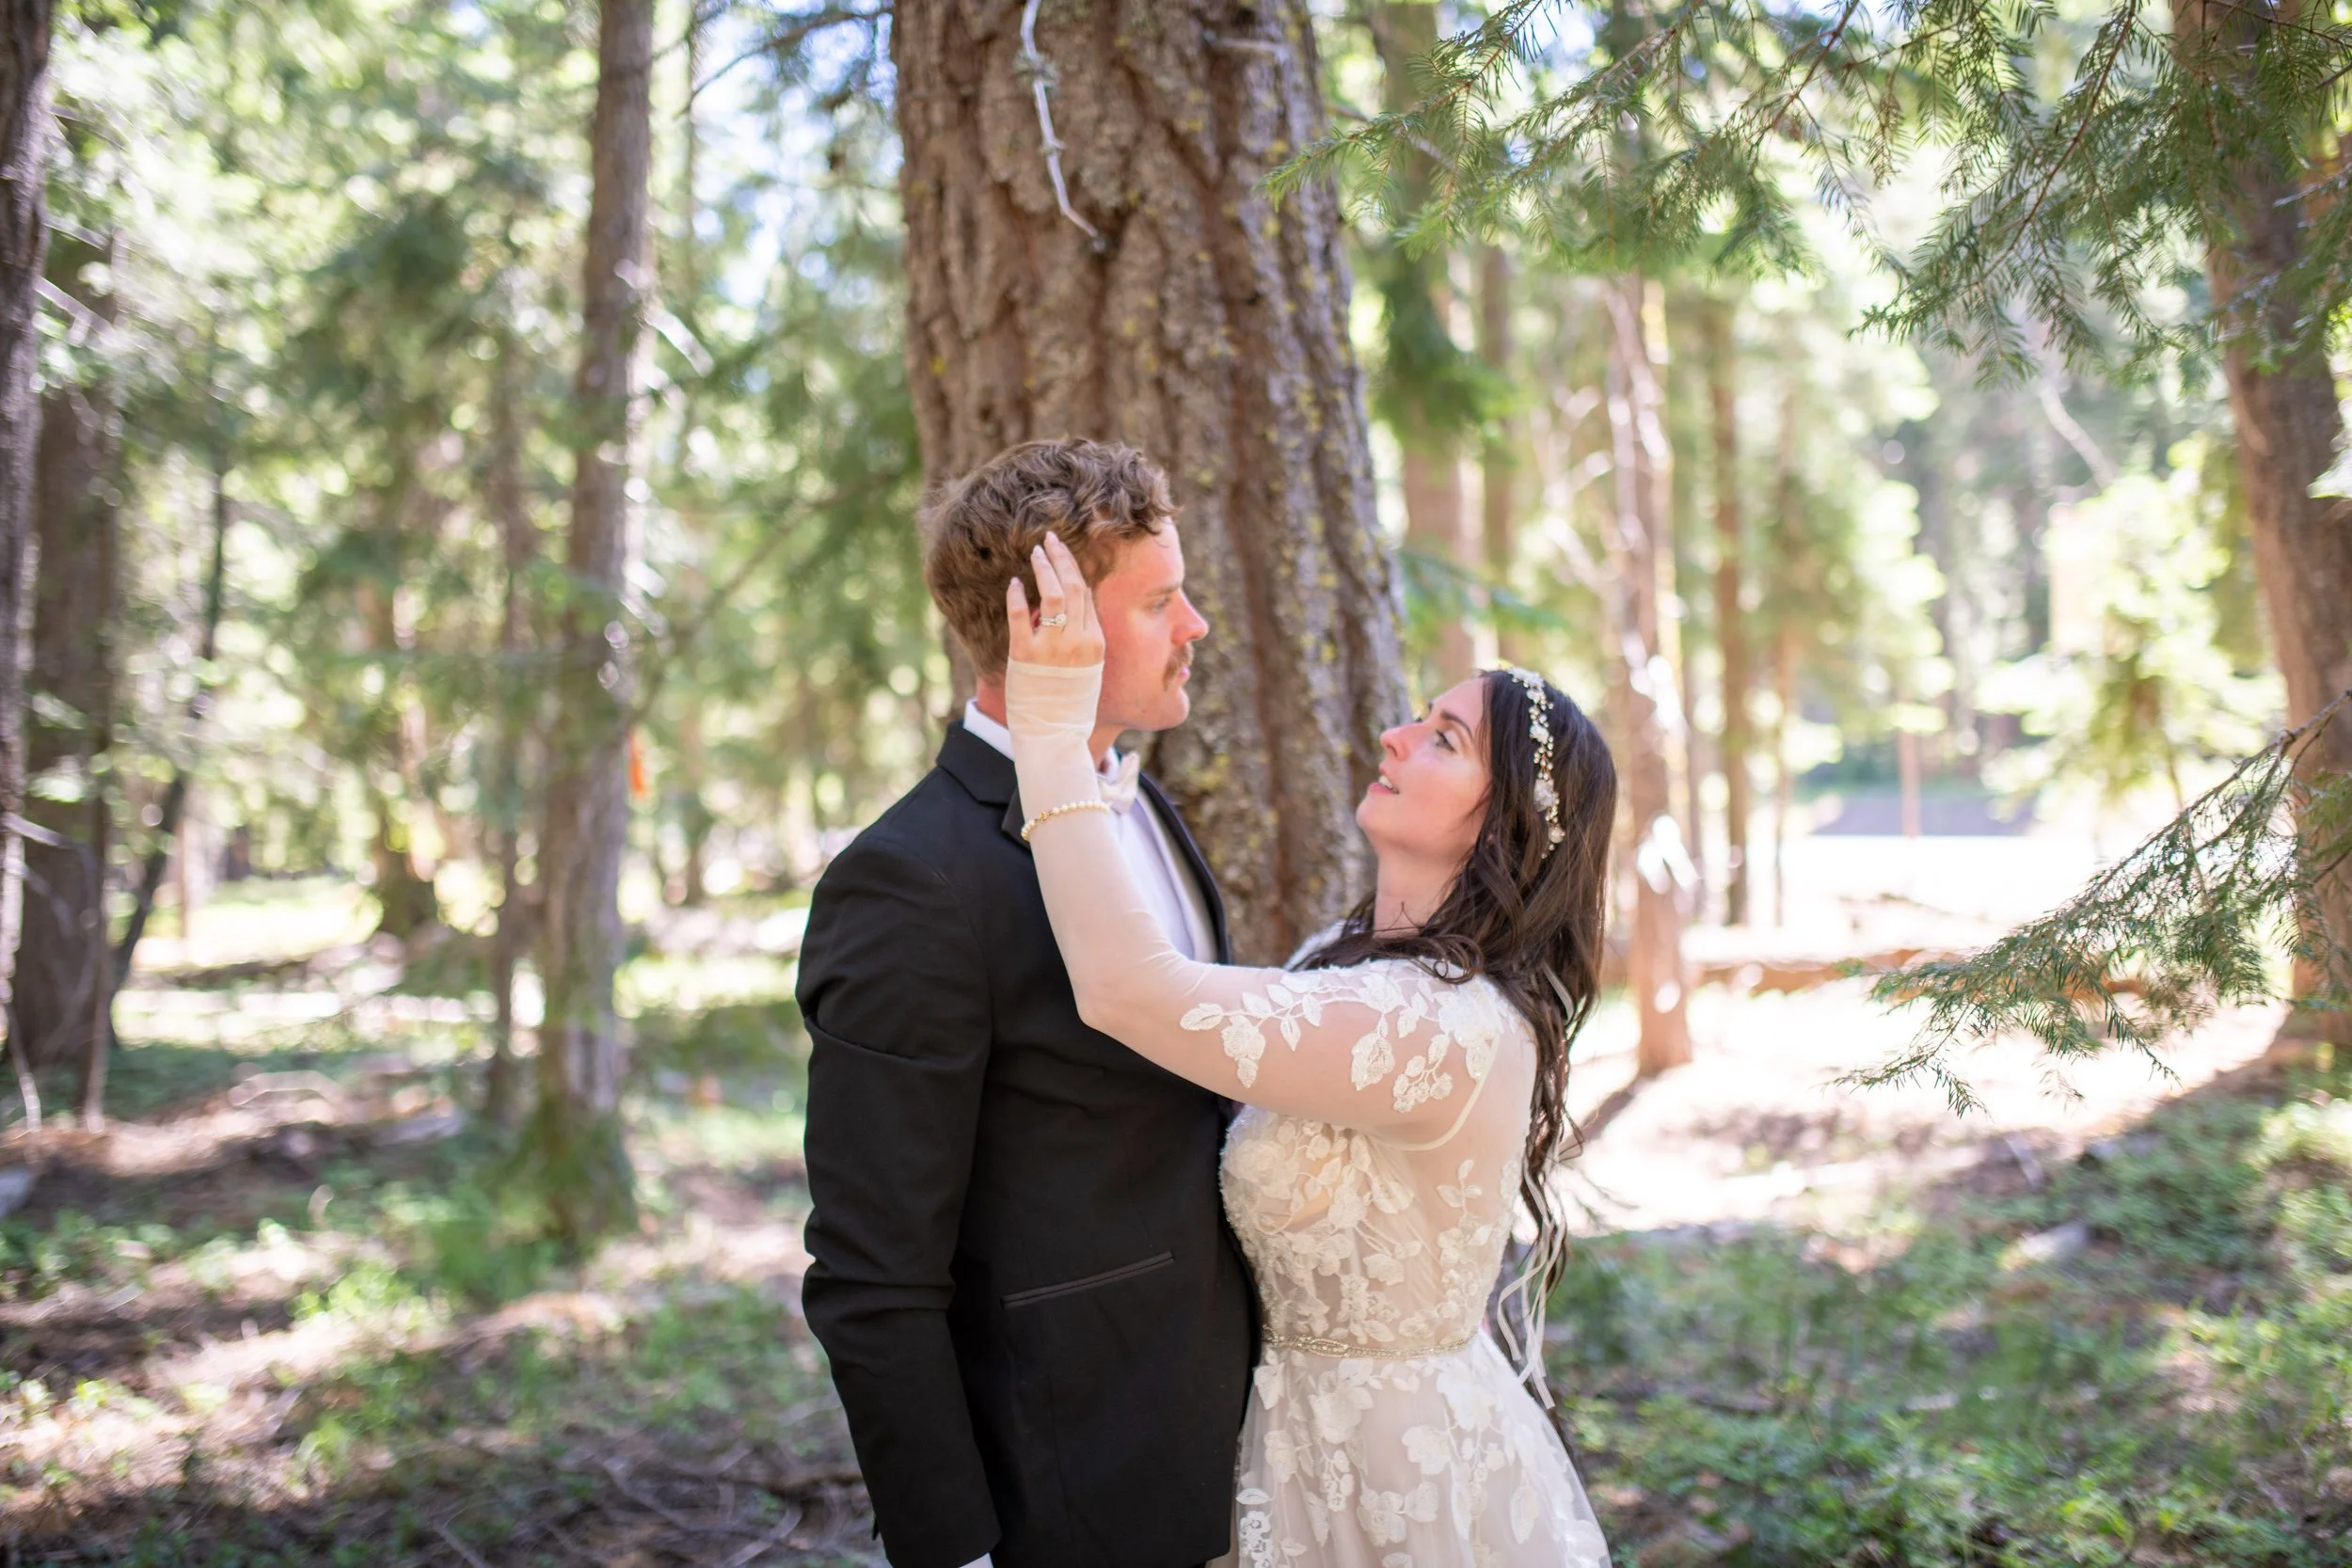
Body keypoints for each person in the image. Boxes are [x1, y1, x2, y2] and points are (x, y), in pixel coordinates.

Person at [1003, 531, 1615, 1566]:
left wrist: (1052, 740)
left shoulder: (1441, 1026)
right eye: (1419, 719)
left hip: (1399, 1480)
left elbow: (1128, 990)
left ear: (1502, 823)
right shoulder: (1337, 961)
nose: (1391, 735)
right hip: (1279, 1444)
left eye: (1443, 739)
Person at [797, 440, 1255, 1568]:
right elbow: (872, 1270)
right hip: (1069, 1489)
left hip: (1233, 1455)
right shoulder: (910, 880)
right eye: (1157, 601)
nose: (1193, 623)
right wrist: (952, 1550)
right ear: (1044, 621)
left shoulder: (1143, 805)